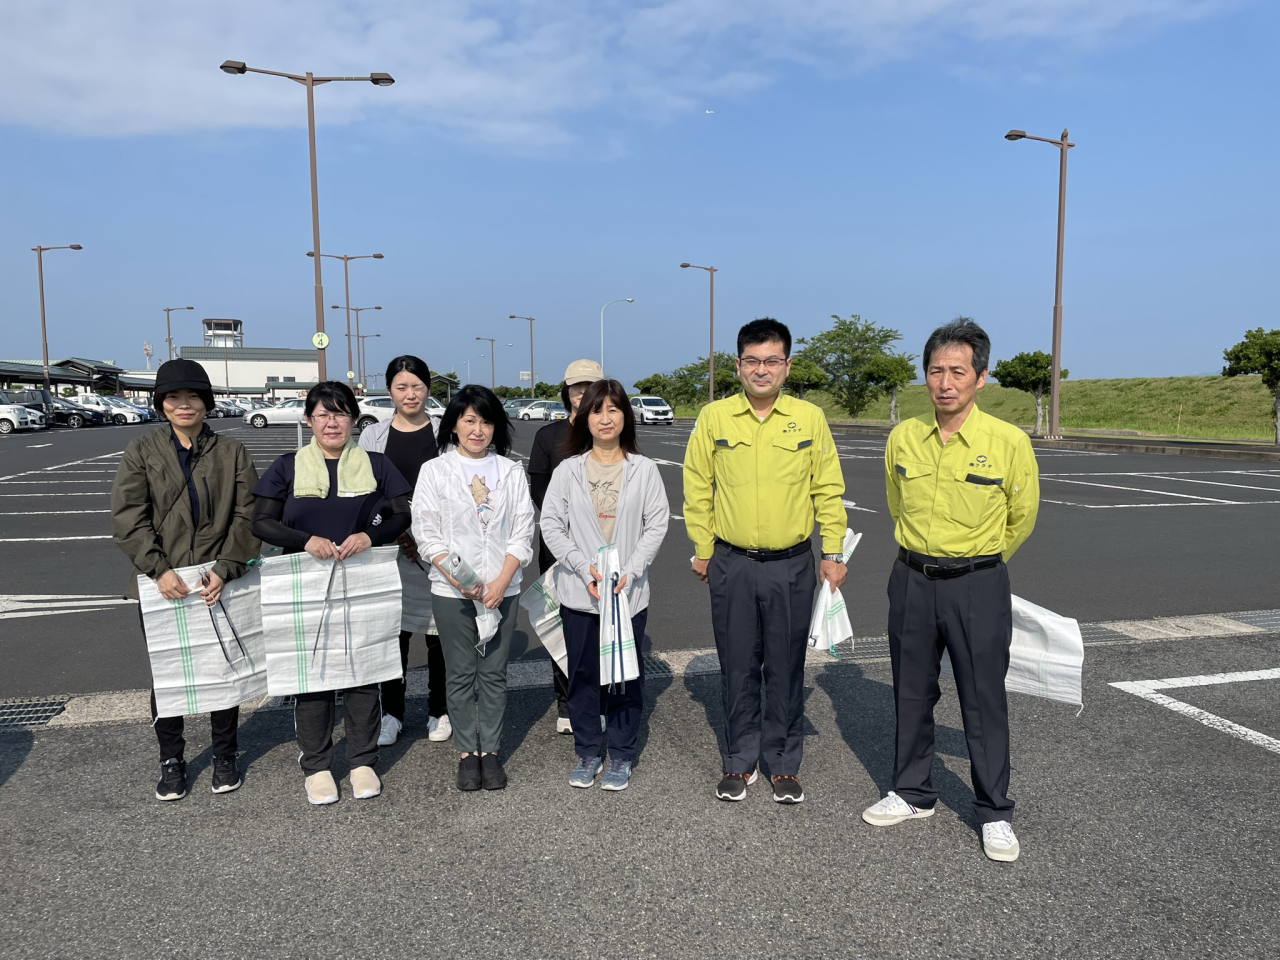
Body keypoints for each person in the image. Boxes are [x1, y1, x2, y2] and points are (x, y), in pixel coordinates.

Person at [861, 318, 1039, 863]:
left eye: (957, 371)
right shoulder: (903, 437)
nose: (945, 382)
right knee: (911, 691)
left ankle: (994, 812)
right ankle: (913, 793)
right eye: (935, 370)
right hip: (911, 578)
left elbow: (1021, 516)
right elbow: (896, 502)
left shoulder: (1007, 442)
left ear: (980, 378)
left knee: (982, 699)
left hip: (977, 584)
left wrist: (979, 563)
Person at [682, 318, 846, 804]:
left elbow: (828, 489)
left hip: (792, 564)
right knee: (736, 664)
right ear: (737, 366)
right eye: (752, 360)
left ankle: (783, 763)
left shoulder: (809, 419)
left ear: (787, 366)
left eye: (772, 360)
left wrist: (833, 551)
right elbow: (696, 487)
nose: (761, 369)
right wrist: (703, 548)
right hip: (731, 562)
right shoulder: (715, 418)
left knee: (785, 665)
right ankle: (739, 760)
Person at [251, 381, 412, 806]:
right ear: (309, 420)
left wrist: (371, 537)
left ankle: (361, 759)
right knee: (313, 677)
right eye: (323, 414)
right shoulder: (288, 466)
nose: (332, 421)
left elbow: (402, 514)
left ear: (354, 419)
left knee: (364, 671)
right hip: (306, 579)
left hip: (364, 579)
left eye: (340, 413)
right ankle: (317, 765)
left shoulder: (376, 464)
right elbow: (261, 521)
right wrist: (304, 540)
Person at [110, 358, 260, 801]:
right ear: (160, 403)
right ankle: (171, 759)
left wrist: (226, 568)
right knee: (169, 671)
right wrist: (159, 569)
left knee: (223, 666)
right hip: (165, 582)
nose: (183, 404)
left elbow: (248, 514)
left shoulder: (230, 451)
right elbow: (127, 519)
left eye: (192, 396)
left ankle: (224, 754)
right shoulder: (142, 450)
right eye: (173, 397)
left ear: (206, 402)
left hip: (219, 577)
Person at [540, 379, 670, 791]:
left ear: (625, 416)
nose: (605, 418)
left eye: (614, 409)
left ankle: (622, 755)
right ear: (584, 417)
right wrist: (583, 567)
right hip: (580, 594)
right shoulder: (568, 470)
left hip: (626, 595)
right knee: (581, 676)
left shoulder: (643, 469)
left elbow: (657, 524)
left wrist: (630, 569)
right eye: (597, 410)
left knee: (626, 675)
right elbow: (550, 525)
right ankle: (588, 751)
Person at [410, 385, 535, 792]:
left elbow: (522, 531)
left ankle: (491, 751)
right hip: (451, 592)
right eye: (468, 420)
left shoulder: (511, 472)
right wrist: (460, 580)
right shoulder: (435, 470)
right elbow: (427, 533)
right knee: (460, 673)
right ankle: (468, 753)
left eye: (485, 421)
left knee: (494, 674)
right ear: (453, 426)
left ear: (496, 426)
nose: (477, 429)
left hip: (504, 587)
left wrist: (499, 582)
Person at [359, 355, 451, 747]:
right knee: (392, 633)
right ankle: (392, 713)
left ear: (428, 388)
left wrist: (428, 538)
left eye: (416, 386)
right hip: (390, 546)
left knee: (439, 632)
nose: (410, 394)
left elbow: (455, 494)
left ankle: (439, 709)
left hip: (441, 547)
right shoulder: (373, 437)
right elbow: (367, 494)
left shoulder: (446, 432)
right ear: (390, 390)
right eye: (401, 387)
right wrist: (398, 534)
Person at [527, 359, 604, 734]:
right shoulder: (548, 435)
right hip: (559, 543)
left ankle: (602, 698)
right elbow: (538, 485)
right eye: (576, 387)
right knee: (563, 621)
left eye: (591, 386)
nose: (582, 393)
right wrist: (565, 527)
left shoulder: (609, 431)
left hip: (607, 545)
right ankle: (567, 701)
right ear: (566, 391)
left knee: (606, 622)